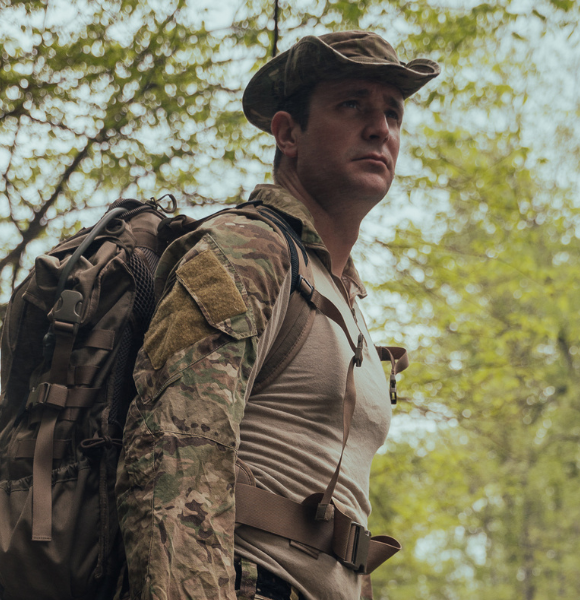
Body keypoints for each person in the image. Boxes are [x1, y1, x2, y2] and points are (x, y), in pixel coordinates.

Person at [115, 31, 439, 600]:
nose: (380, 128)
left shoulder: (342, 296)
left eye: (393, 112)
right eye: (353, 105)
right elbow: (171, 460)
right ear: (288, 133)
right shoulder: (249, 250)